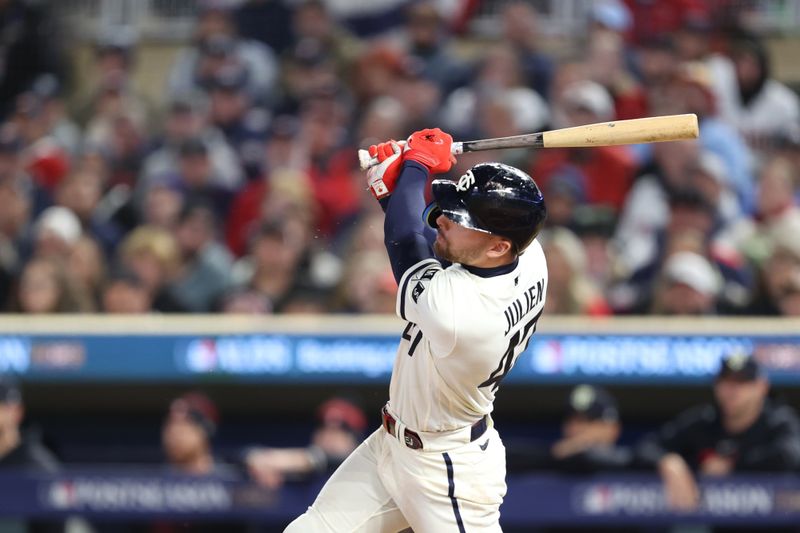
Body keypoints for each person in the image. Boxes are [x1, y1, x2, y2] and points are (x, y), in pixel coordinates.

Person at [285, 127, 548, 532]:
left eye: (459, 219)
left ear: (499, 246)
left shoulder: (459, 315)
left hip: (447, 469)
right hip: (392, 446)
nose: (443, 218)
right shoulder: (525, 254)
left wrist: (414, 167)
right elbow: (439, 243)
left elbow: (409, 241)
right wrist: (394, 193)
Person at [636, 352, 800, 511]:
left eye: (742, 383)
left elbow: (790, 455)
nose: (732, 391)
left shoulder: (779, 421)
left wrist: (732, 466)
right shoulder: (704, 421)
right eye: (726, 382)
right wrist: (668, 462)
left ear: (762, 387)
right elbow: (646, 447)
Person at [246, 396, 368, 489]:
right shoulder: (306, 475)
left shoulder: (367, 467)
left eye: (338, 431)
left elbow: (315, 459)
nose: (328, 436)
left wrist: (269, 460)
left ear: (355, 438)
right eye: (323, 428)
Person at [507, 384, 631, 474]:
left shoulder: (633, 461)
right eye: (572, 420)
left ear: (613, 428)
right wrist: (556, 454)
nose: (577, 428)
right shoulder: (550, 460)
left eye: (588, 421)